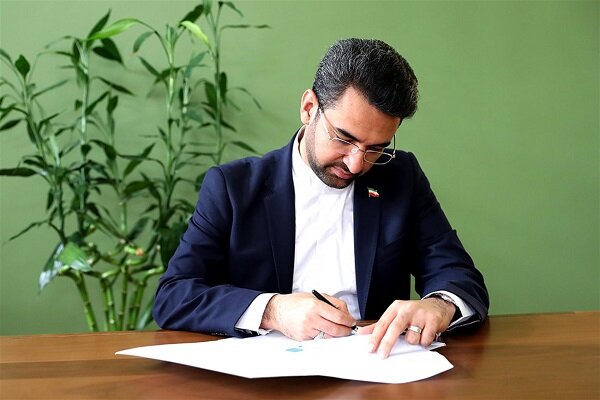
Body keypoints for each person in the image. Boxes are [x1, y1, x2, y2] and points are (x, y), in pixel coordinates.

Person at [153, 38, 489, 359]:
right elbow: (174, 296)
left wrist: (439, 305)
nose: (356, 164)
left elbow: (458, 273)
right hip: (265, 376)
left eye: (376, 148)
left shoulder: (400, 177)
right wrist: (273, 310)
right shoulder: (233, 187)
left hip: (373, 368)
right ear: (309, 107)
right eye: (343, 138)